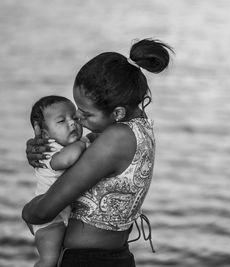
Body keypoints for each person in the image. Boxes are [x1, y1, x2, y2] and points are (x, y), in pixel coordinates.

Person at [22, 38, 173, 267]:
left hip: (89, 261)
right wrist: (46, 153)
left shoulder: (115, 139)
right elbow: (79, 150)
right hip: (114, 257)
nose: (78, 119)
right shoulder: (139, 127)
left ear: (118, 112)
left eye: (86, 113)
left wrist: (27, 212)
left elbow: (43, 212)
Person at [28, 95, 87, 267]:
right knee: (49, 261)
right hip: (49, 221)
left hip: (59, 214)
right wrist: (82, 145)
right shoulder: (48, 149)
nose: (72, 123)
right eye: (61, 121)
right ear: (45, 133)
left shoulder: (71, 143)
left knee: (60, 259)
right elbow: (64, 161)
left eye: (75, 118)